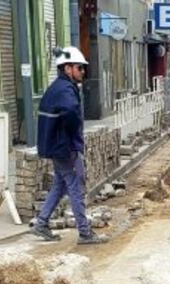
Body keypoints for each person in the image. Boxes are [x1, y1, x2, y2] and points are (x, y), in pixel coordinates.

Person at [33, 46, 106, 245]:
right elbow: (71, 113)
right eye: (79, 68)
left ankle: (41, 222)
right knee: (76, 187)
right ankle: (84, 232)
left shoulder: (57, 87)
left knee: (60, 184)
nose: (83, 72)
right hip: (65, 149)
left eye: (83, 68)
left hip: (57, 148)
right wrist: (75, 140)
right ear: (67, 69)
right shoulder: (65, 89)